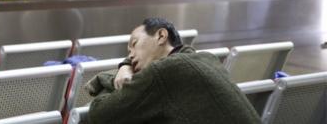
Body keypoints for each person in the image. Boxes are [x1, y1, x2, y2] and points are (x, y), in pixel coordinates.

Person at [87, 18, 260, 124]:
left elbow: (99, 116)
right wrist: (124, 66)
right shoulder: (206, 59)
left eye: (134, 44)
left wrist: (113, 78)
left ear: (161, 36)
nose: (131, 55)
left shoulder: (164, 72)